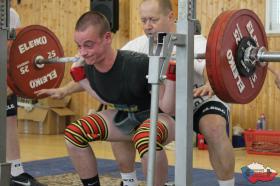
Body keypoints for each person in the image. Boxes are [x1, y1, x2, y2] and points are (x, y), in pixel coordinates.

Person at [63, 11, 175, 186]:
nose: (83, 52)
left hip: (162, 116)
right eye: (79, 46)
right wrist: (80, 79)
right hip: (127, 115)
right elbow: (107, 99)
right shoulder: (89, 67)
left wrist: (172, 75)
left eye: (89, 45)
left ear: (107, 38)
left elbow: (167, 107)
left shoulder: (137, 65)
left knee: (146, 137)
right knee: (74, 134)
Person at [7, 7, 46, 186]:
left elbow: (14, 50)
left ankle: (16, 171)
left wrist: (10, 81)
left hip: (3, 73)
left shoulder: (11, 14)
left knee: (10, 117)